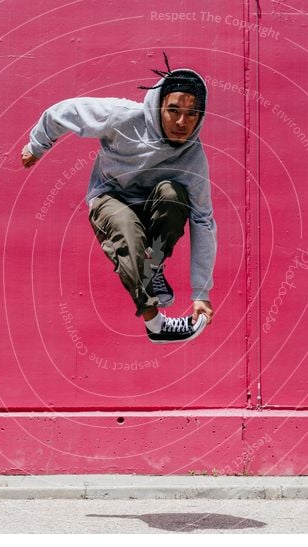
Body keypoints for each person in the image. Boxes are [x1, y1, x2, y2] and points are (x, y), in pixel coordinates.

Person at [21, 56, 216, 344]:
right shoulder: (124, 117)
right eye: (173, 110)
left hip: (153, 208)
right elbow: (67, 112)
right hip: (110, 198)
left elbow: (203, 219)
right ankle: (156, 323)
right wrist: (37, 145)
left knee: (174, 194)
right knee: (126, 228)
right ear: (159, 105)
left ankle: (153, 266)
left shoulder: (193, 158)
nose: (181, 122)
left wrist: (202, 292)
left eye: (191, 113)